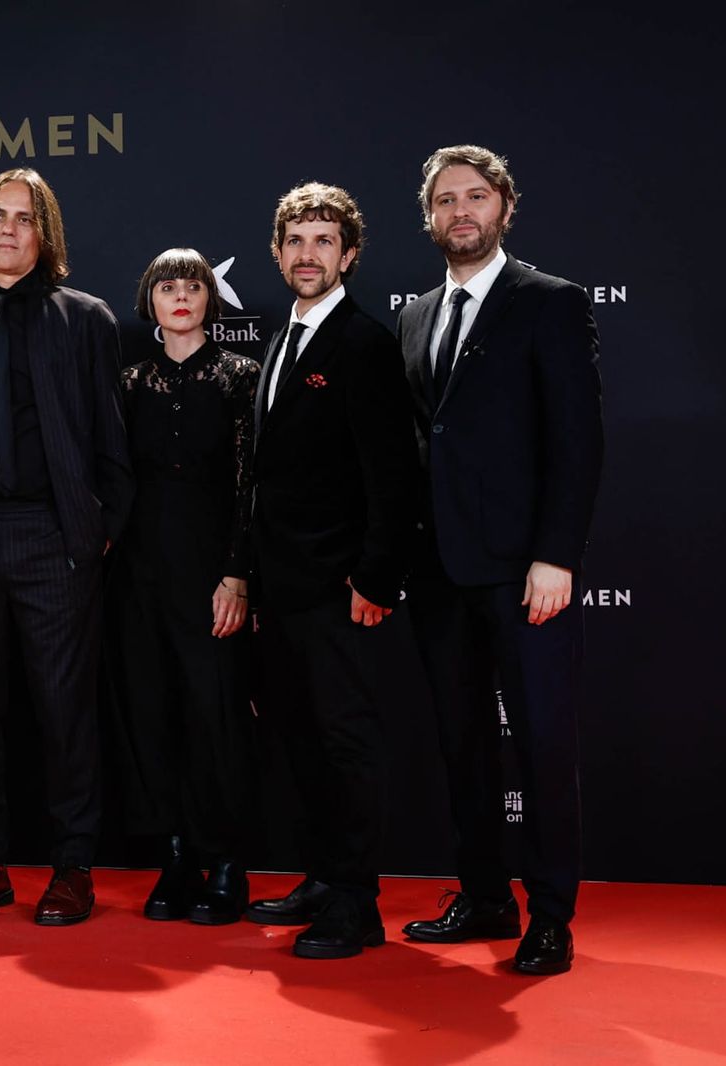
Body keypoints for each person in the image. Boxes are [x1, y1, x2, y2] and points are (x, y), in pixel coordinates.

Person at [396, 145, 603, 976]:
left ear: (505, 207)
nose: (461, 212)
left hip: (525, 574)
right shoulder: (414, 316)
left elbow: (578, 442)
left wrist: (558, 555)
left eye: (475, 197)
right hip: (440, 572)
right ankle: (484, 895)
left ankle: (551, 915)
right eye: (445, 201)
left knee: (543, 745)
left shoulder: (548, 302)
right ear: (430, 217)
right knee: (461, 742)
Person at [0, 168, 133, 927]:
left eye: (24, 219)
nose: (8, 229)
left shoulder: (85, 319)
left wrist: (95, 531)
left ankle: (72, 866)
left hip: (56, 540)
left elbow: (113, 443)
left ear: (43, 236)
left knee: (64, 714)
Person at [245, 183, 418, 958]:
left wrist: (375, 578)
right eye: (296, 241)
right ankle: (322, 876)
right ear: (279, 253)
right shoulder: (283, 341)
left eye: (324, 242)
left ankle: (357, 902)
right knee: (303, 739)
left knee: (346, 741)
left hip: (340, 586)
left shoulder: (365, 343)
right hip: (282, 588)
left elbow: (392, 476)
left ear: (348, 254)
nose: (308, 255)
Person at [105, 248, 260, 924]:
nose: (180, 296)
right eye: (166, 285)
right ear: (149, 299)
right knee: (153, 716)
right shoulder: (127, 382)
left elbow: (250, 485)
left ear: (209, 298)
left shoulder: (239, 377)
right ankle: (174, 861)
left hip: (212, 578)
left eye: (192, 285)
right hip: (137, 578)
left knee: (214, 719)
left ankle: (226, 862)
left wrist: (237, 575)